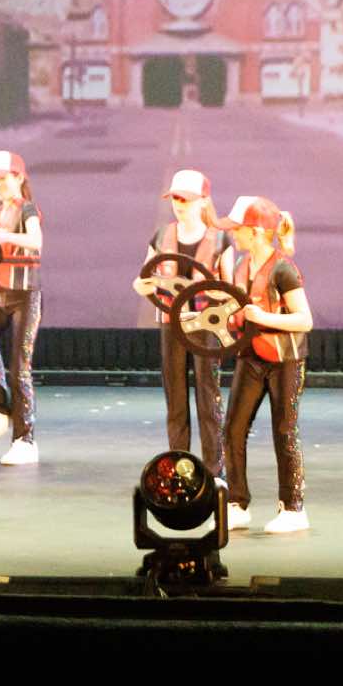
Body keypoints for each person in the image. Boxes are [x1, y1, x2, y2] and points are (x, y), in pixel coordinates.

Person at [214, 196, 313, 534]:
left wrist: (263, 317)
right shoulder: (242, 266)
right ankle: (237, 503)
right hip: (251, 357)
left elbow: (305, 320)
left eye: (237, 228)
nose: (233, 234)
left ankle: (294, 508)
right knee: (233, 428)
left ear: (255, 232)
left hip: (286, 361)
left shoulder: (283, 269)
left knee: (284, 431)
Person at [133, 169, 230, 471]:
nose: (179, 205)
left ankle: (214, 469)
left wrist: (216, 297)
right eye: (175, 199)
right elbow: (144, 278)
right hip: (171, 325)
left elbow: (231, 291)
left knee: (208, 397)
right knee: (175, 398)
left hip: (205, 326)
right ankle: (180, 465)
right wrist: (142, 286)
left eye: (185, 199)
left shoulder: (220, 240)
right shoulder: (162, 236)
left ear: (203, 201)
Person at [0, 151, 44, 466]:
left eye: (4, 179)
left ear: (18, 178)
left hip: (25, 295)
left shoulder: (27, 208)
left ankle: (25, 440)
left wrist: (3, 236)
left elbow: (36, 240)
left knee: (20, 367)